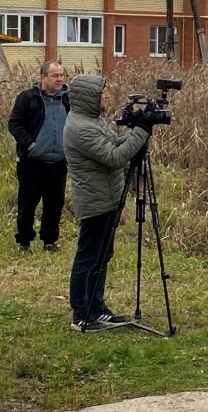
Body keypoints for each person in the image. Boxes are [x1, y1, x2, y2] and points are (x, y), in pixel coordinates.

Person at [64, 74, 154, 332]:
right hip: (96, 200)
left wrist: (136, 130)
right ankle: (82, 314)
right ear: (89, 96)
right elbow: (115, 158)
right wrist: (142, 131)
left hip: (106, 196)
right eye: (103, 91)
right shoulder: (82, 127)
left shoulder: (92, 120)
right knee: (89, 257)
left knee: (102, 255)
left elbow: (114, 143)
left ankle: (97, 308)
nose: (107, 94)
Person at [8, 61, 70, 254]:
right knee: (27, 203)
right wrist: (31, 145)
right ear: (43, 77)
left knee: (55, 203)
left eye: (61, 75)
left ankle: (49, 241)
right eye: (55, 75)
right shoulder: (28, 98)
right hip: (32, 162)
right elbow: (15, 124)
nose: (60, 79)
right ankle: (24, 242)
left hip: (58, 163)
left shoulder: (68, 99)